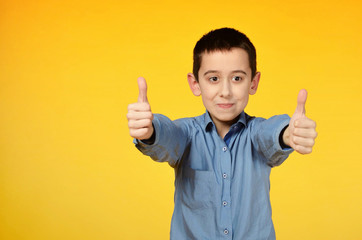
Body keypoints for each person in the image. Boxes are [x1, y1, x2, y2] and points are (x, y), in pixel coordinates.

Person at [127, 27, 317, 240]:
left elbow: (271, 132)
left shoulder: (256, 133)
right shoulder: (187, 134)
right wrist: (150, 130)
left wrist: (288, 132)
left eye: (237, 78)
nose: (225, 91)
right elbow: (168, 134)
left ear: (253, 83)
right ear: (195, 83)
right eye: (213, 79)